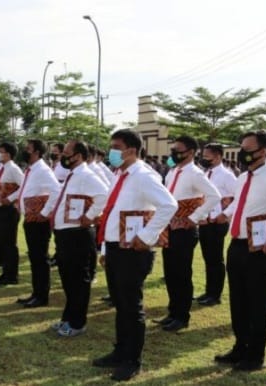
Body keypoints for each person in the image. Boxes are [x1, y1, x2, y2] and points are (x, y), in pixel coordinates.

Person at [91, 129, 177, 382]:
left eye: (116, 146)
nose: (112, 151)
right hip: (117, 248)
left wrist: (148, 235)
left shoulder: (143, 175)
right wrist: (107, 248)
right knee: (121, 305)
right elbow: (112, 212)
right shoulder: (122, 175)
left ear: (130, 149)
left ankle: (132, 360)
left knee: (131, 307)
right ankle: (120, 351)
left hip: (133, 252)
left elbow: (169, 205)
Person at [213, 130, 266, 372]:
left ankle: (255, 356)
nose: (242, 153)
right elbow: (239, 202)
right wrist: (225, 214)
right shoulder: (242, 178)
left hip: (259, 249)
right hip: (237, 245)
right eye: (241, 147)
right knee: (238, 301)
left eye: (248, 148)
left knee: (258, 303)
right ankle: (241, 346)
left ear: (262, 151)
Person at [155, 136, 221, 332]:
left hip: (184, 231)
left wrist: (193, 217)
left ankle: (182, 316)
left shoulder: (195, 173)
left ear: (191, 152)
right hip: (169, 227)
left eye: (178, 150)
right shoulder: (173, 171)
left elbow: (214, 196)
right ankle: (173, 312)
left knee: (182, 274)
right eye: (173, 149)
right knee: (171, 272)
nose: (174, 153)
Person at [42, 140, 108, 336]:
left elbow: (104, 195)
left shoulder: (86, 175)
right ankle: (68, 318)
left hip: (77, 234)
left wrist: (89, 217)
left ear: (78, 156)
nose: (63, 156)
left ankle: (77, 323)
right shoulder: (74, 174)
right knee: (68, 278)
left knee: (78, 280)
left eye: (66, 153)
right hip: (66, 233)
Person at [15, 139, 59, 307]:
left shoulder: (42, 170)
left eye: (28, 148)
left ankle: (41, 296)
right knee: (35, 258)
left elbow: (56, 191)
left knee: (40, 259)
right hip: (30, 219)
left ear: (37, 152)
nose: (25, 150)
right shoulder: (31, 170)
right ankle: (36, 293)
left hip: (38, 222)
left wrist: (44, 212)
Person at [196, 143, 237, 306]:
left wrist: (225, 214)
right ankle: (208, 291)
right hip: (205, 221)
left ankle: (215, 294)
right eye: (203, 156)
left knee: (215, 258)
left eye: (207, 156)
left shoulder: (227, 175)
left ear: (218, 156)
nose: (204, 159)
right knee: (208, 258)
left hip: (217, 222)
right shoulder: (205, 173)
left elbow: (237, 197)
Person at [0, 141, 24, 285]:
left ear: (8, 154)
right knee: (3, 241)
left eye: (1, 151)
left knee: (10, 242)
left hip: (9, 209)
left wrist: (10, 199)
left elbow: (23, 186)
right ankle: (6, 272)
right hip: (0, 208)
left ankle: (12, 275)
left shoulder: (14, 169)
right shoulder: (4, 168)